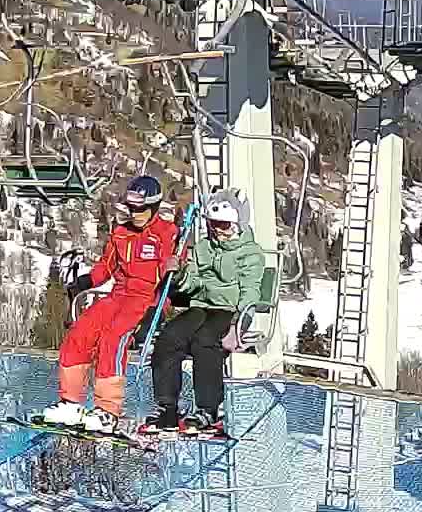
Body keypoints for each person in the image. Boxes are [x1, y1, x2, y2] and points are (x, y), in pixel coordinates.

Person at [41, 175, 178, 432]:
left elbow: (171, 275)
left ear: (154, 207)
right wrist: (85, 282)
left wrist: (172, 274)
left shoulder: (165, 233)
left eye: (141, 209)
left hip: (145, 299)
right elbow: (106, 267)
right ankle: (71, 402)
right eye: (131, 208)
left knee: (113, 339)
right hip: (118, 295)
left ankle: (107, 410)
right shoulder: (121, 233)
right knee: (80, 333)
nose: (135, 214)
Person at [143, 193, 266, 437]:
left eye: (222, 225)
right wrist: (179, 274)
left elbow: (250, 290)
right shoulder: (204, 248)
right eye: (212, 224)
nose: (217, 231)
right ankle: (167, 407)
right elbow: (194, 284)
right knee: (170, 336)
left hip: (230, 310)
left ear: (236, 225)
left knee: (206, 341)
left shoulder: (250, 253)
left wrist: (236, 326)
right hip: (202, 306)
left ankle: (209, 409)